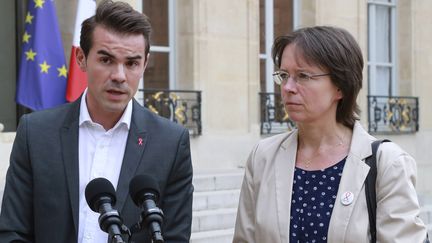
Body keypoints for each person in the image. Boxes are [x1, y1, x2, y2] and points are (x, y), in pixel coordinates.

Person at [0, 1, 193, 242]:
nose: (119, 76)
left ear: (144, 64)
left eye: (131, 63)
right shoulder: (35, 133)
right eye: (106, 60)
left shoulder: (171, 143)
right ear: (81, 58)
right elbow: (12, 232)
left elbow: (174, 237)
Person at [233, 26, 427, 243]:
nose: (288, 87)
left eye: (303, 75)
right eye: (284, 75)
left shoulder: (387, 163)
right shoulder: (263, 156)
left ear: (340, 87)